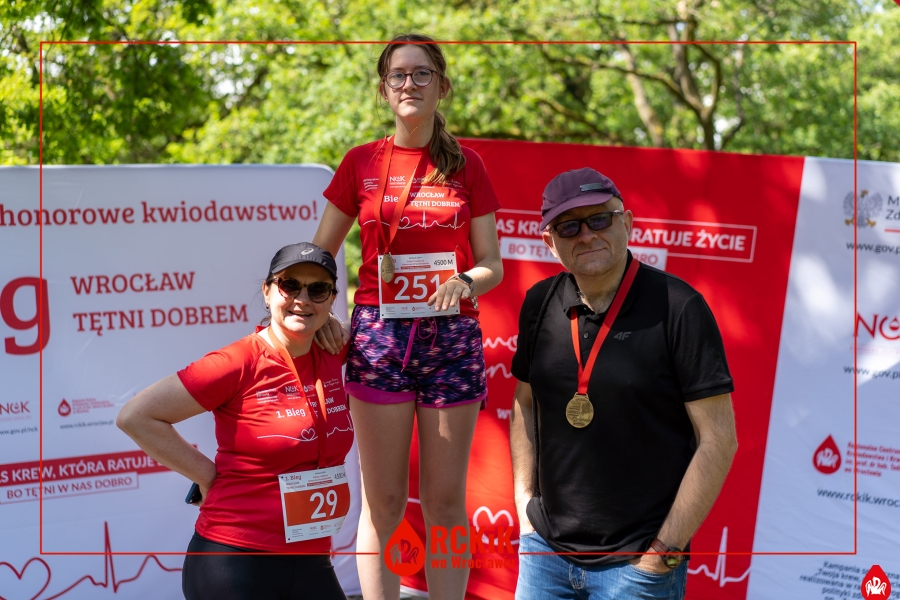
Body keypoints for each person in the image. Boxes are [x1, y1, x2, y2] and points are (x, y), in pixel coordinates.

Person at [312, 33, 503, 600]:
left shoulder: (467, 165)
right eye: (398, 75)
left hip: (452, 337)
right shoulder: (361, 162)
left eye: (422, 74)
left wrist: (465, 281)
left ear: (442, 86)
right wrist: (323, 313)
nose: (409, 84)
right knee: (385, 502)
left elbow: (492, 263)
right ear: (383, 89)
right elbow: (320, 255)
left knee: (445, 502)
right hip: (379, 338)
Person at [509, 168, 738, 599]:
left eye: (600, 219)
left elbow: (719, 439)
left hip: (636, 568)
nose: (587, 235)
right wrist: (524, 505)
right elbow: (525, 402)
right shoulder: (539, 302)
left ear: (627, 222)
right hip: (545, 557)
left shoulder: (680, 307)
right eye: (569, 227)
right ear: (549, 242)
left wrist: (663, 553)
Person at [116, 242, 353, 600]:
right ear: (268, 291)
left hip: (311, 558)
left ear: (332, 298)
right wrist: (207, 476)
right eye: (290, 285)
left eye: (318, 289)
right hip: (235, 558)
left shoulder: (335, 350)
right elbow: (136, 416)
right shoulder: (238, 361)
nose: (303, 299)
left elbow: (384, 325)